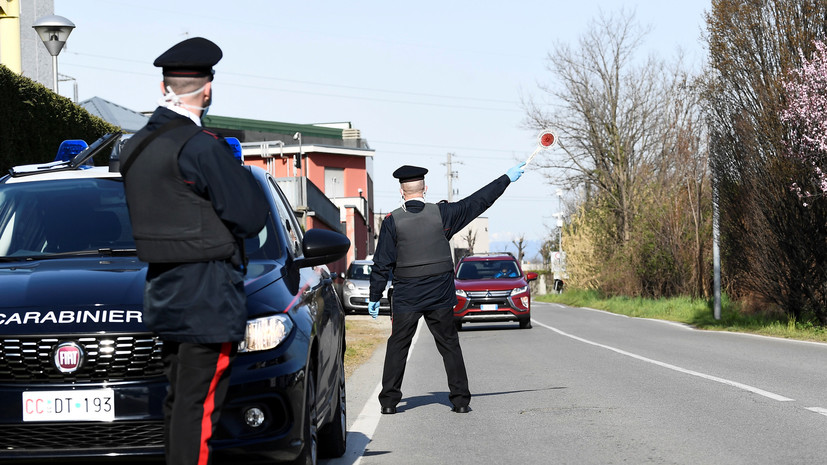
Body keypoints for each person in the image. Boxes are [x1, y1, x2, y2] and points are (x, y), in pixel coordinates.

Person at [119, 37, 269, 465]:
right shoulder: (201, 146)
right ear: (207, 89)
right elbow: (250, 215)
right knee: (199, 409)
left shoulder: (136, 148)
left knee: (180, 403)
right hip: (208, 291)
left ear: (162, 87)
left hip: (164, 289)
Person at [368, 162, 526, 414]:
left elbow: (381, 263)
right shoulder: (443, 214)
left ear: (401, 191)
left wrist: (375, 296)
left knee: (398, 345)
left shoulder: (391, 221)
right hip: (440, 294)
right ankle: (461, 400)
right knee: (449, 345)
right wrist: (506, 178)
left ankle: (388, 402)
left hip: (407, 295)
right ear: (425, 188)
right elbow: (478, 202)